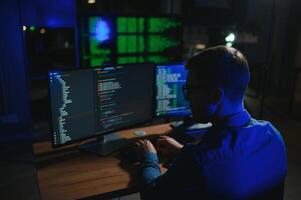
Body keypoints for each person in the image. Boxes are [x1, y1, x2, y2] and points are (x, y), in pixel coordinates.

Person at [136, 46, 287, 200]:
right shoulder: (274, 135)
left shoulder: (198, 159)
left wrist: (149, 157)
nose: (188, 98)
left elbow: (151, 194)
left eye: (189, 90)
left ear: (215, 96)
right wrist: (182, 151)